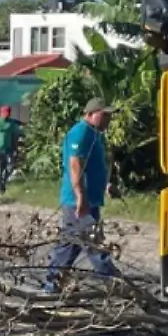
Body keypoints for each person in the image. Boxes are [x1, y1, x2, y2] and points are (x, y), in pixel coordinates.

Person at [41, 97, 122, 296]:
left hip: (87, 200)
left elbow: (92, 167)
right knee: (94, 245)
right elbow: (75, 164)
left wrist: (106, 186)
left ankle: (51, 285)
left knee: (68, 246)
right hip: (79, 203)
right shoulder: (81, 132)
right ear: (90, 114)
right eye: (104, 115)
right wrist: (80, 197)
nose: (108, 120)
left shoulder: (94, 133)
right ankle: (117, 286)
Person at [0, 104, 24, 194]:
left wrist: (16, 149)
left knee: (10, 167)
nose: (7, 115)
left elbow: (15, 136)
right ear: (1, 113)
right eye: (5, 113)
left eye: (8, 113)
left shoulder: (11, 123)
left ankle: (3, 180)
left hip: (8, 149)